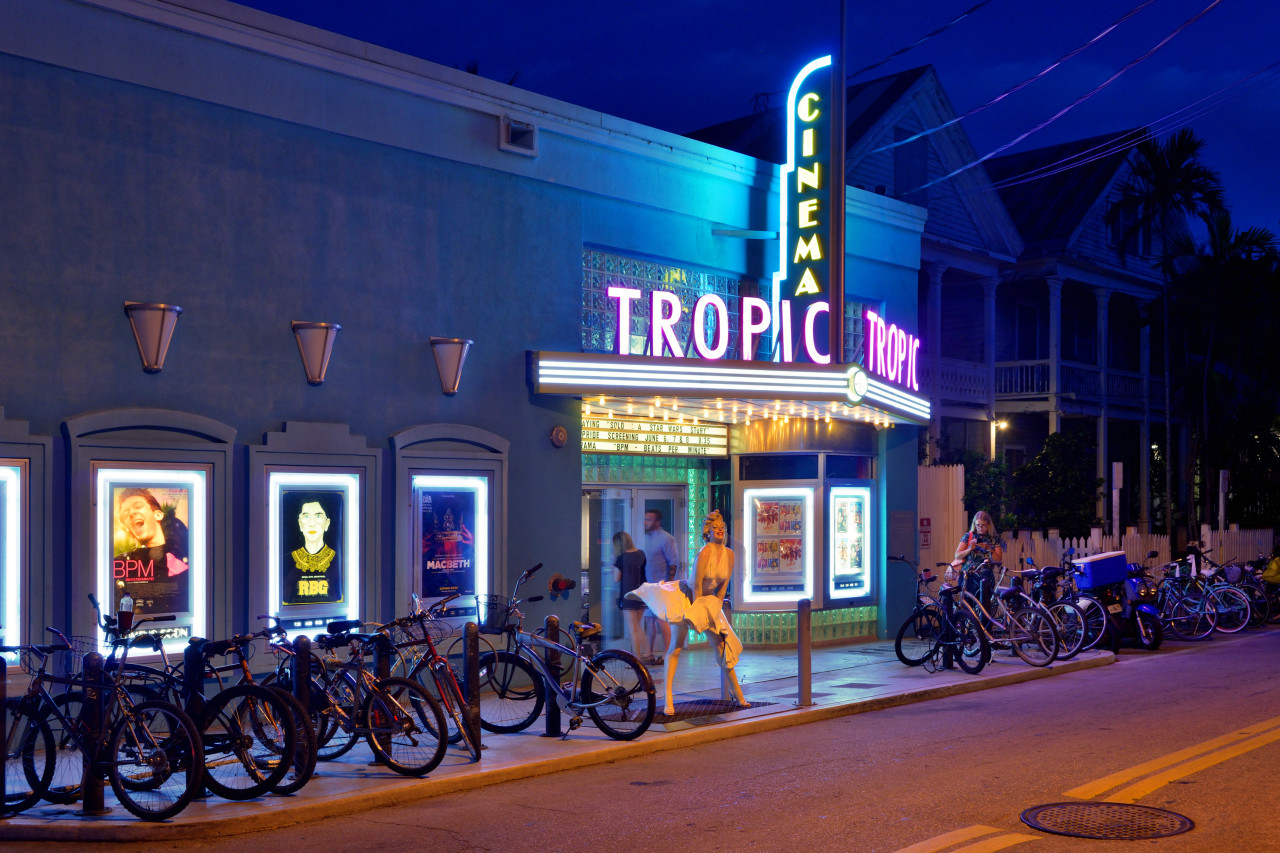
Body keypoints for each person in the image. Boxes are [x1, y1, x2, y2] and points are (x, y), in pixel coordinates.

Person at [627, 510, 747, 717]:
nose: (720, 530)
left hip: (710, 602)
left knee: (722, 646)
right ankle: (668, 697)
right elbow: (697, 586)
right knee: (676, 647)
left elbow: (723, 587)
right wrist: (697, 613)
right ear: (708, 532)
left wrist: (715, 609)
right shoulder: (704, 553)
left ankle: (737, 692)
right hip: (688, 599)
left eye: (722, 527)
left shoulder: (730, 555)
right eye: (715, 528)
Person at [114, 487, 189, 616]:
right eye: (125, 514)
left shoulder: (181, 548)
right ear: (129, 530)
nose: (131, 513)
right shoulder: (123, 563)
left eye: (138, 506)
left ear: (158, 515)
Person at [286, 498, 343, 604]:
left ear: (327, 523)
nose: (312, 523)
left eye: (318, 516)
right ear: (300, 524)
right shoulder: (286, 561)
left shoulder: (339, 562)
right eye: (306, 517)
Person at [642, 508, 679, 664]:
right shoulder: (646, 538)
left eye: (649, 519)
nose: (646, 522)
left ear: (657, 522)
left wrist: (667, 584)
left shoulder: (666, 539)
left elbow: (673, 563)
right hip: (649, 586)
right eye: (645, 519)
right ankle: (649, 652)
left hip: (661, 586)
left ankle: (666, 654)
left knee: (661, 620)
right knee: (649, 620)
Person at [954, 510, 1003, 607]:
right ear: (974, 524)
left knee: (984, 606)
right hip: (968, 576)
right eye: (977, 525)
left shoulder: (994, 539)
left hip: (985, 576)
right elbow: (957, 555)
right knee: (967, 606)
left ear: (988, 525)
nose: (980, 528)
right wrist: (969, 549)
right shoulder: (969, 536)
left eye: (983, 525)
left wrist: (989, 549)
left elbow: (998, 559)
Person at [611, 531, 648, 661]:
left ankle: (636, 659)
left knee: (633, 629)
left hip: (628, 596)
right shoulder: (641, 554)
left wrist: (612, 567)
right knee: (638, 627)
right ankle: (648, 652)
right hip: (641, 594)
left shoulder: (621, 558)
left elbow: (616, 578)